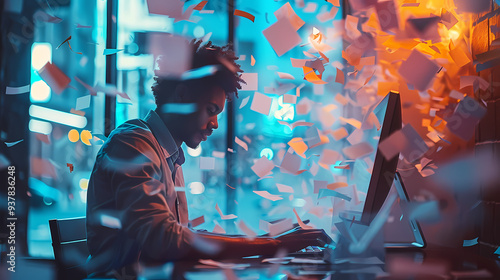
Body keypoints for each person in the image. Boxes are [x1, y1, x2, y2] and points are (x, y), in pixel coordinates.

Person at [86, 39, 330, 278]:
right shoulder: (134, 144)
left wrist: (269, 240)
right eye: (211, 111)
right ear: (181, 96)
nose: (214, 124)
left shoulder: (167, 154)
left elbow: (181, 236)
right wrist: (273, 244)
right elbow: (165, 240)